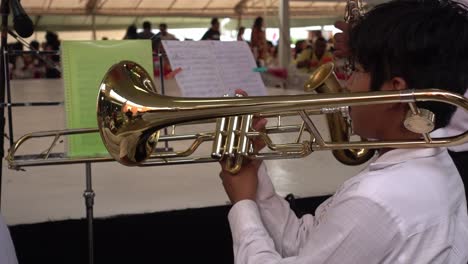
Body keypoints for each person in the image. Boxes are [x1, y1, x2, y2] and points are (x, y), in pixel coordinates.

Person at [219, 0, 468, 263]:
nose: (346, 84)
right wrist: (254, 174)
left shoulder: (377, 198)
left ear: (396, 91)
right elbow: (303, 242)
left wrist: (242, 205)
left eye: (356, 70)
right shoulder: (431, 164)